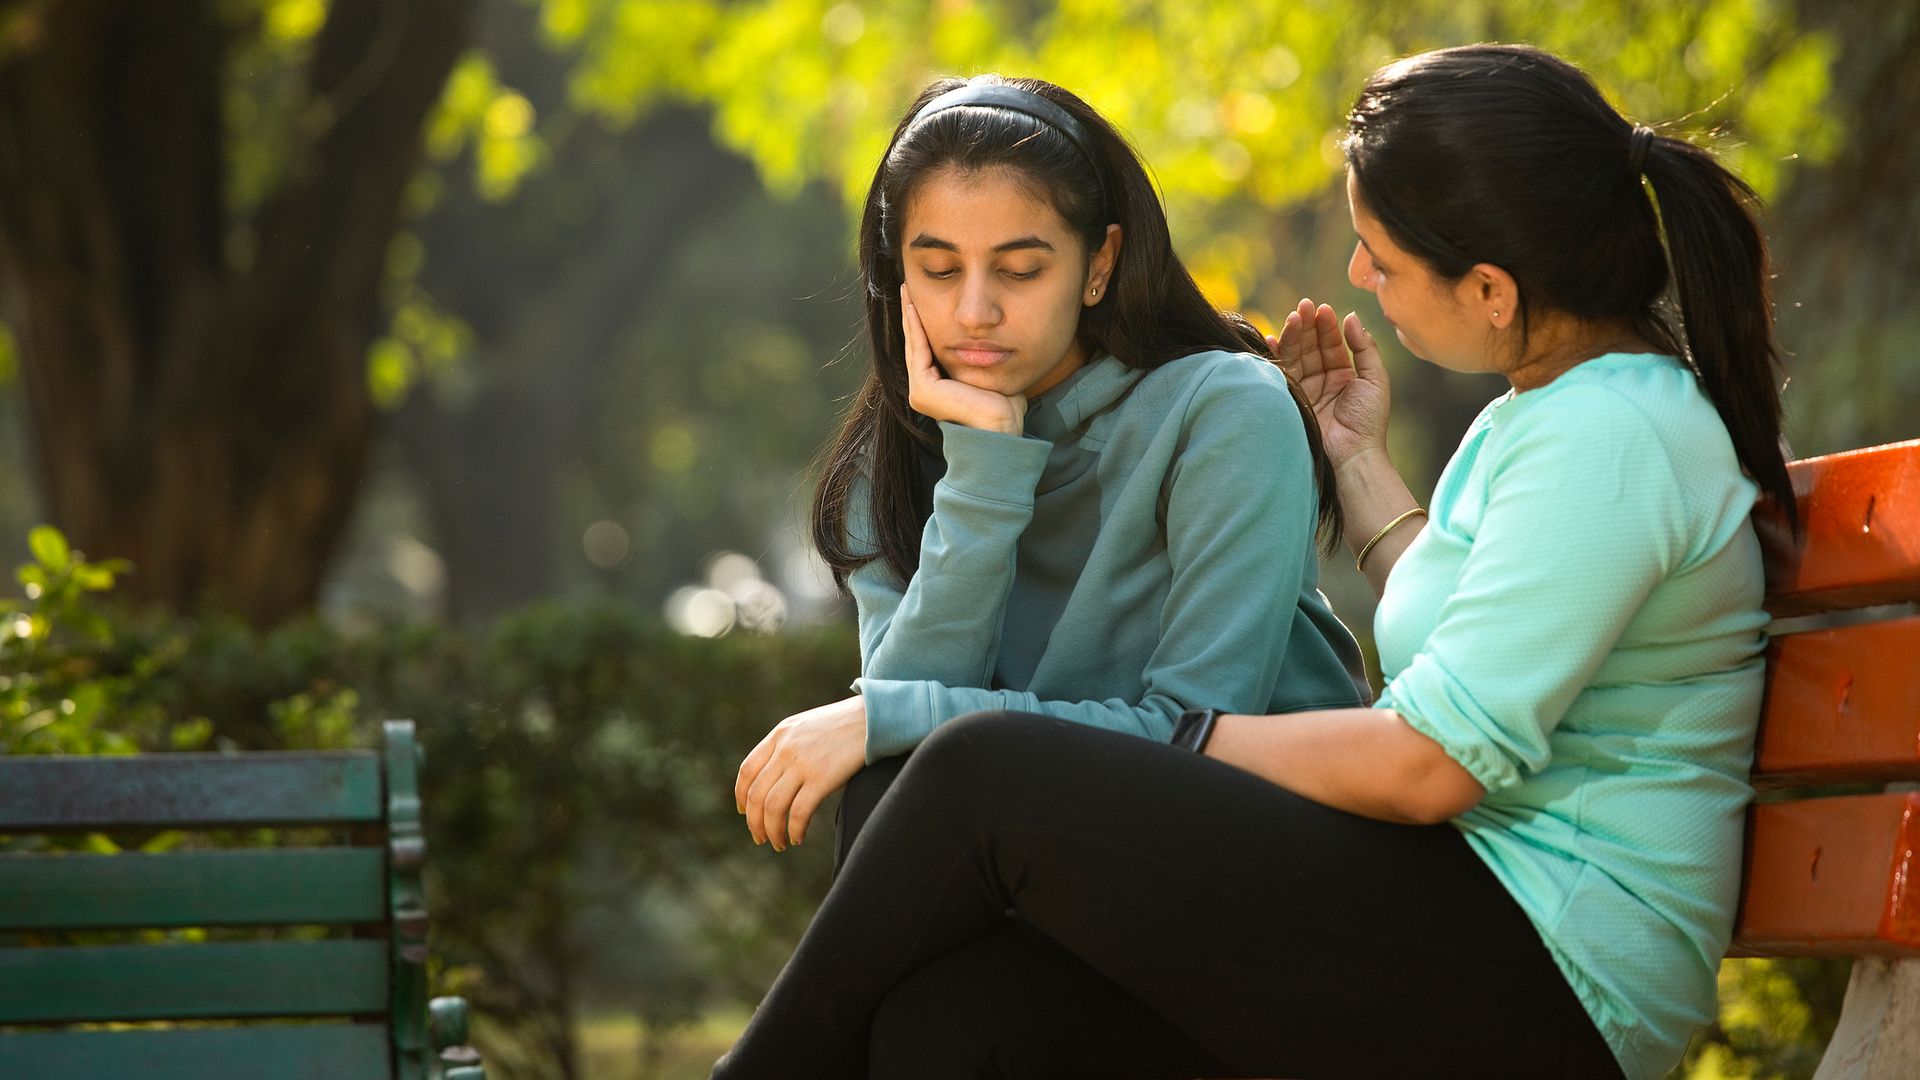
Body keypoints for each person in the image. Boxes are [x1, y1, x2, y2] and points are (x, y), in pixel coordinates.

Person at [716, 43, 1791, 1080]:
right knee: (950, 1029)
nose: (1361, 274)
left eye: (1385, 253)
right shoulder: (1557, 418)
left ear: (1494, 290)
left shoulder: (1609, 436)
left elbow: (1429, 764)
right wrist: (1357, 461)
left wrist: (1181, 733)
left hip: (1556, 969)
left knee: (977, 766)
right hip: (1467, 915)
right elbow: (1483, 631)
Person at [731, 73, 1369, 868]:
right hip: (1052, 871)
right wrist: (986, 465)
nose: (974, 312)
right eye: (938, 269)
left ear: (1099, 265)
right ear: (895, 275)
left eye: (1020, 270)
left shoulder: (1224, 410)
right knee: (884, 783)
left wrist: (899, 720)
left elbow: (1202, 735)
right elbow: (901, 761)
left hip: (1264, 856)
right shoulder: (892, 466)